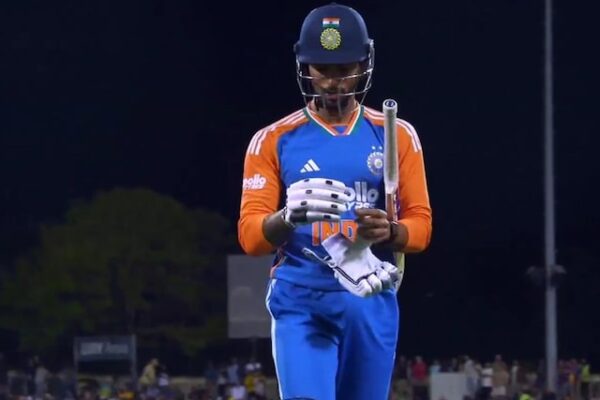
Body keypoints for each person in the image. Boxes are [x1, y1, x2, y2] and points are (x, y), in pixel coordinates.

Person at [238, 3, 432, 400]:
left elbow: (421, 227)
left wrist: (390, 231)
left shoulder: (397, 135)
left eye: (344, 69)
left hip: (370, 298)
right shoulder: (273, 140)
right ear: (304, 66)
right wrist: (287, 217)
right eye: (322, 70)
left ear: (364, 64)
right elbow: (251, 239)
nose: (332, 83)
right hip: (301, 299)